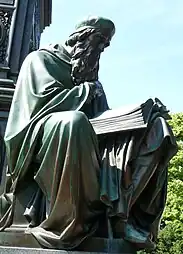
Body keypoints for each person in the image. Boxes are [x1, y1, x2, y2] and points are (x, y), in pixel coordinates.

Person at [0, 16, 177, 251]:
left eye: (105, 46)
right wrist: (86, 92)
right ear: (81, 37)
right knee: (74, 121)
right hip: (40, 139)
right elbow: (37, 107)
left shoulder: (90, 76)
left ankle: (120, 218)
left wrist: (137, 117)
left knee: (157, 128)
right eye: (100, 42)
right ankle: (70, 220)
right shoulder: (40, 60)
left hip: (90, 139)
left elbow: (101, 118)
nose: (102, 49)